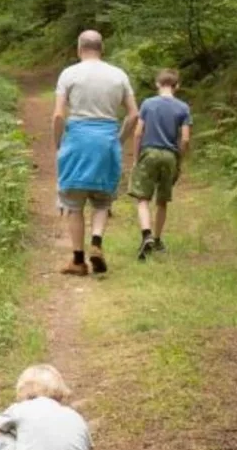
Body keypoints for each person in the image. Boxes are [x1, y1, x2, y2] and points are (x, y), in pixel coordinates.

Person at [52, 30, 138, 275]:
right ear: (102, 49)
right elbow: (134, 114)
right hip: (107, 140)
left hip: (77, 141)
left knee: (73, 203)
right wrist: (119, 140)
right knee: (102, 200)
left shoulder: (69, 74)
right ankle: (97, 243)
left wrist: (58, 144)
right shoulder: (118, 75)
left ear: (79, 48)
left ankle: (78, 261)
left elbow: (58, 115)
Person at [130, 68, 193, 261]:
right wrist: (179, 158)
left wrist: (135, 157)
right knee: (162, 200)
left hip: (149, 153)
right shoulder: (183, 108)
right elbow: (185, 139)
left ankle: (146, 234)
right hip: (169, 156)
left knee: (142, 198)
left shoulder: (148, 104)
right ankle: (157, 239)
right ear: (177, 86)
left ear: (157, 84)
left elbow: (138, 133)